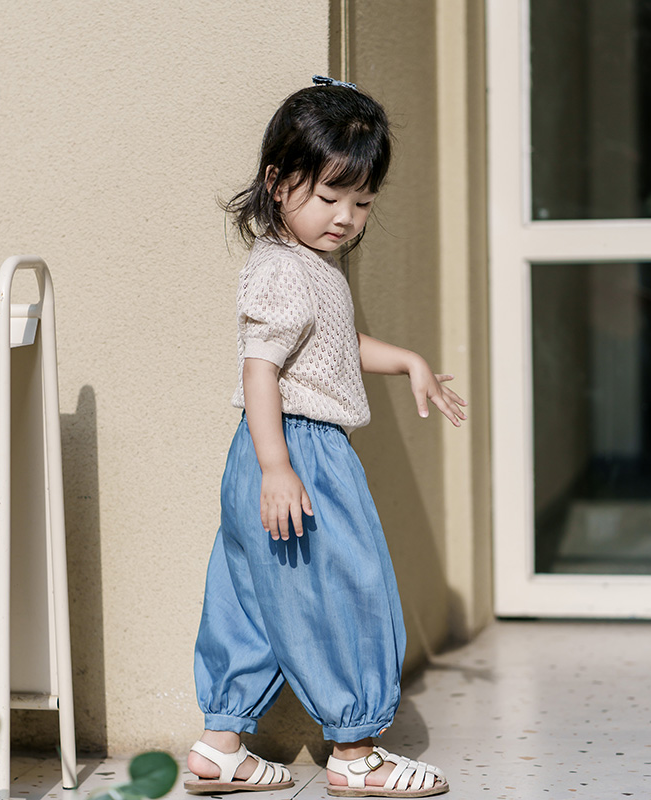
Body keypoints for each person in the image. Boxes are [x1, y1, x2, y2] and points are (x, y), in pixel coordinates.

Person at [185, 76, 465, 798]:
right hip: (295, 450)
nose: (346, 217)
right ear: (278, 184)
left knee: (252, 594)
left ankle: (221, 748)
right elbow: (261, 370)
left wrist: (406, 361)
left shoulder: (306, 267)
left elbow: (331, 347)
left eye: (362, 201)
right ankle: (355, 755)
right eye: (329, 196)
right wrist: (280, 466)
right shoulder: (285, 272)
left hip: (267, 451)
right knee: (346, 590)